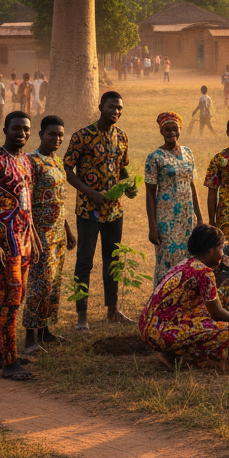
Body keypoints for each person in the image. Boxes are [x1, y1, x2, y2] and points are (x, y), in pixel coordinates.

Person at [138, 224, 229, 372]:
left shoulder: (186, 264)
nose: (223, 255)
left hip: (148, 326)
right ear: (211, 250)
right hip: (161, 333)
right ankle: (197, 362)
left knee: (204, 311)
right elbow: (217, 313)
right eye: (221, 249)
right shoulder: (205, 272)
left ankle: (171, 352)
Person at [64, 91, 138, 330]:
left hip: (114, 211)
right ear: (100, 107)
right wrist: (89, 192)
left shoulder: (122, 136)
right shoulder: (82, 136)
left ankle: (113, 311)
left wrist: (128, 185)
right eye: (112, 107)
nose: (116, 112)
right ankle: (81, 317)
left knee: (113, 259)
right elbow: (66, 169)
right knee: (85, 261)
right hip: (88, 210)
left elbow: (122, 167)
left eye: (119, 108)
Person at [0, 110, 36, 381]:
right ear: (5, 129)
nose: (21, 133)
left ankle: (4, 353)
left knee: (16, 296)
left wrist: (33, 237)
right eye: (16, 128)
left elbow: (27, 204)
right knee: (9, 296)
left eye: (25, 129)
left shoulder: (25, 160)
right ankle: (10, 362)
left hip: (23, 240)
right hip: (4, 242)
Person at [22, 114, 75, 355]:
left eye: (61, 135)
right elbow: (27, 203)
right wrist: (31, 235)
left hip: (57, 235)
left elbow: (59, 200)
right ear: (41, 134)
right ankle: (30, 338)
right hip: (39, 233)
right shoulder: (31, 161)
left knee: (53, 284)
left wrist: (67, 230)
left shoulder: (57, 162)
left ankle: (45, 330)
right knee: (38, 285)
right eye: (52, 134)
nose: (57, 138)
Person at [145, 111, 202, 287]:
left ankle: (184, 301)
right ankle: (162, 303)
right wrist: (152, 227)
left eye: (175, 129)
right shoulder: (154, 158)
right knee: (166, 261)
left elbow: (192, 186)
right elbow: (150, 194)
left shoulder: (188, 153)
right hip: (166, 219)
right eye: (167, 129)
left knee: (189, 258)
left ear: (180, 129)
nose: (171, 133)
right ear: (161, 132)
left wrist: (199, 218)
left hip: (187, 216)